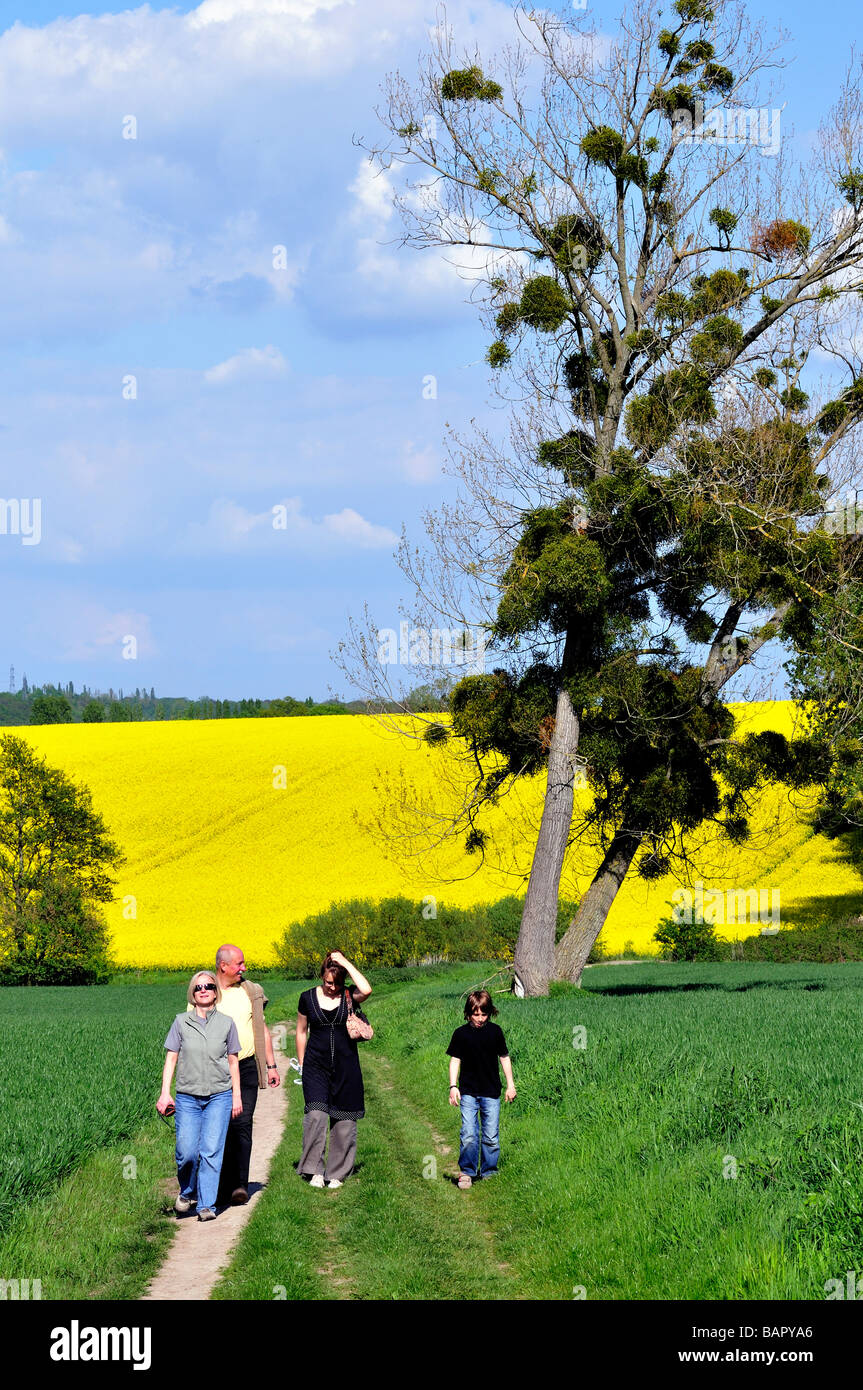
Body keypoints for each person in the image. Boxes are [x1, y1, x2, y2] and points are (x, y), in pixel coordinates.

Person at [157, 970, 243, 1221]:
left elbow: (233, 1061)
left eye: (208, 986)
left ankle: (207, 1205)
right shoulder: (181, 1022)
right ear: (192, 995)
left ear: (216, 993)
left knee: (211, 1150)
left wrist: (236, 1096)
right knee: (187, 1152)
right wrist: (165, 1093)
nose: (203, 990)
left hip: (219, 1095)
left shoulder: (227, 1023)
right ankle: (186, 1192)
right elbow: (171, 1058)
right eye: (198, 987)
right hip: (187, 1097)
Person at [210, 943, 281, 1206]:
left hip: (247, 1066)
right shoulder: (206, 990)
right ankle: (219, 1184)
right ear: (223, 966)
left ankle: (239, 1185)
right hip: (215, 1070)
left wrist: (271, 1066)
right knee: (220, 1126)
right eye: (239, 964)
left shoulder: (250, 991)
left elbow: (261, 1028)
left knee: (242, 1123)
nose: (244, 968)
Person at [295, 949, 372, 1189]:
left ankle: (336, 1173)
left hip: (346, 1065)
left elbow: (367, 989)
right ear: (321, 976)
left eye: (337, 983)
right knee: (316, 1115)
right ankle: (314, 1169)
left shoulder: (349, 995)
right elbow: (300, 1031)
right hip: (315, 1065)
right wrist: (302, 1064)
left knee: (344, 1119)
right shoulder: (306, 998)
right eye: (329, 982)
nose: (332, 987)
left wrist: (345, 963)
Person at [447, 988, 516, 1190]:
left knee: (491, 1136)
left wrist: (511, 1085)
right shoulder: (460, 1034)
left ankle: (489, 1172)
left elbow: (504, 1058)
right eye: (475, 1014)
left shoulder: (495, 1032)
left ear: (489, 1012)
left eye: (484, 1014)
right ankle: (466, 1172)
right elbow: (455, 1060)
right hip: (468, 1092)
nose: (479, 1018)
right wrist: (453, 1086)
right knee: (468, 1134)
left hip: (491, 1093)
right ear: (468, 1013)